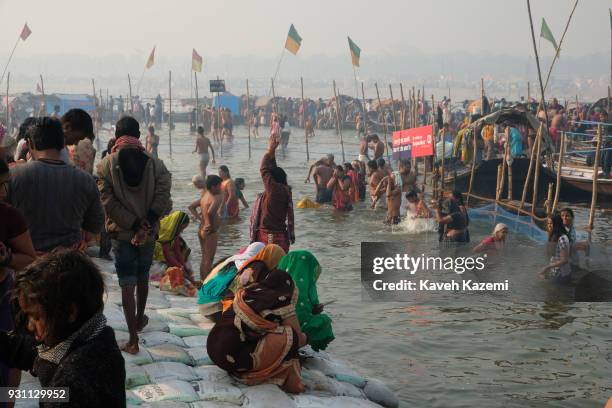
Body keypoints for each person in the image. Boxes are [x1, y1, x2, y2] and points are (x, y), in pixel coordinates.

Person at [0, 250, 125, 407]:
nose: (30, 325)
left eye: (36, 317)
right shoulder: (88, 335)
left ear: (69, 312)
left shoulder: (75, 381)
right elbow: (28, 351)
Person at [96, 116, 172, 354]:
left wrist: (134, 223)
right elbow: (163, 197)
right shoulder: (157, 164)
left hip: (122, 234)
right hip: (148, 233)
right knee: (142, 276)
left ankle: (132, 339)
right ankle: (139, 319)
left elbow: (107, 202)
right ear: (138, 136)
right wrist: (147, 223)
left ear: (117, 135)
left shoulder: (105, 165)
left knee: (127, 283)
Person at [206, 246, 307, 394]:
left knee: (266, 329)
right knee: (290, 336)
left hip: (215, 350)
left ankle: (241, 364)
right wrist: (309, 337)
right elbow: (298, 338)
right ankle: (290, 381)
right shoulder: (281, 298)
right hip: (231, 355)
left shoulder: (252, 291)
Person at [9, 117, 104, 253]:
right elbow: (95, 225)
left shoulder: (13, 176)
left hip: (25, 264)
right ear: (62, 144)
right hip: (68, 263)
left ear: (30, 144)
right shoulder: (85, 180)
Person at [278, 250, 334, 351]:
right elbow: (309, 308)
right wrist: (316, 309)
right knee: (324, 321)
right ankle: (302, 345)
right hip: (295, 331)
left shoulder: (277, 279)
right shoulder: (303, 285)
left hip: (275, 328)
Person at [197, 242, 265, 321]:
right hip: (216, 310)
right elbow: (233, 292)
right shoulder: (248, 267)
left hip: (202, 304)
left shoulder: (231, 261)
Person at [253, 136, 295, 252]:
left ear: (273, 180)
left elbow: (264, 170)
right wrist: (273, 153)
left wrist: (268, 151)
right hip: (281, 238)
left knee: (268, 267)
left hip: (269, 238)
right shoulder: (285, 190)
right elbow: (272, 169)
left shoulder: (274, 190)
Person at [154, 211, 193, 279]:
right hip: (154, 257)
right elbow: (167, 254)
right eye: (181, 228)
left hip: (165, 255)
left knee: (185, 251)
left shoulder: (174, 230)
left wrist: (185, 268)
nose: (182, 231)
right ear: (177, 224)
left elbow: (177, 251)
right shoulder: (166, 230)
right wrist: (180, 268)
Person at [198, 175, 223, 281]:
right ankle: (206, 283)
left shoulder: (205, 195)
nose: (220, 188)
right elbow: (211, 211)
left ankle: (202, 281)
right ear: (213, 187)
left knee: (204, 258)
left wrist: (200, 219)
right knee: (209, 260)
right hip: (210, 232)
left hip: (202, 229)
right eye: (219, 186)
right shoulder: (216, 197)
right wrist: (212, 226)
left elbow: (192, 206)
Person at [61, 108, 97, 174]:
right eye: (77, 138)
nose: (76, 143)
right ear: (68, 127)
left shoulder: (63, 149)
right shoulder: (50, 146)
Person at [540, 213, 571, 283]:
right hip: (555, 272)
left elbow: (564, 260)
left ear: (557, 224)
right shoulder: (553, 236)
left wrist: (547, 267)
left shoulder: (562, 238)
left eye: (551, 223)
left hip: (562, 275)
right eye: (548, 223)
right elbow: (554, 257)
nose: (549, 226)